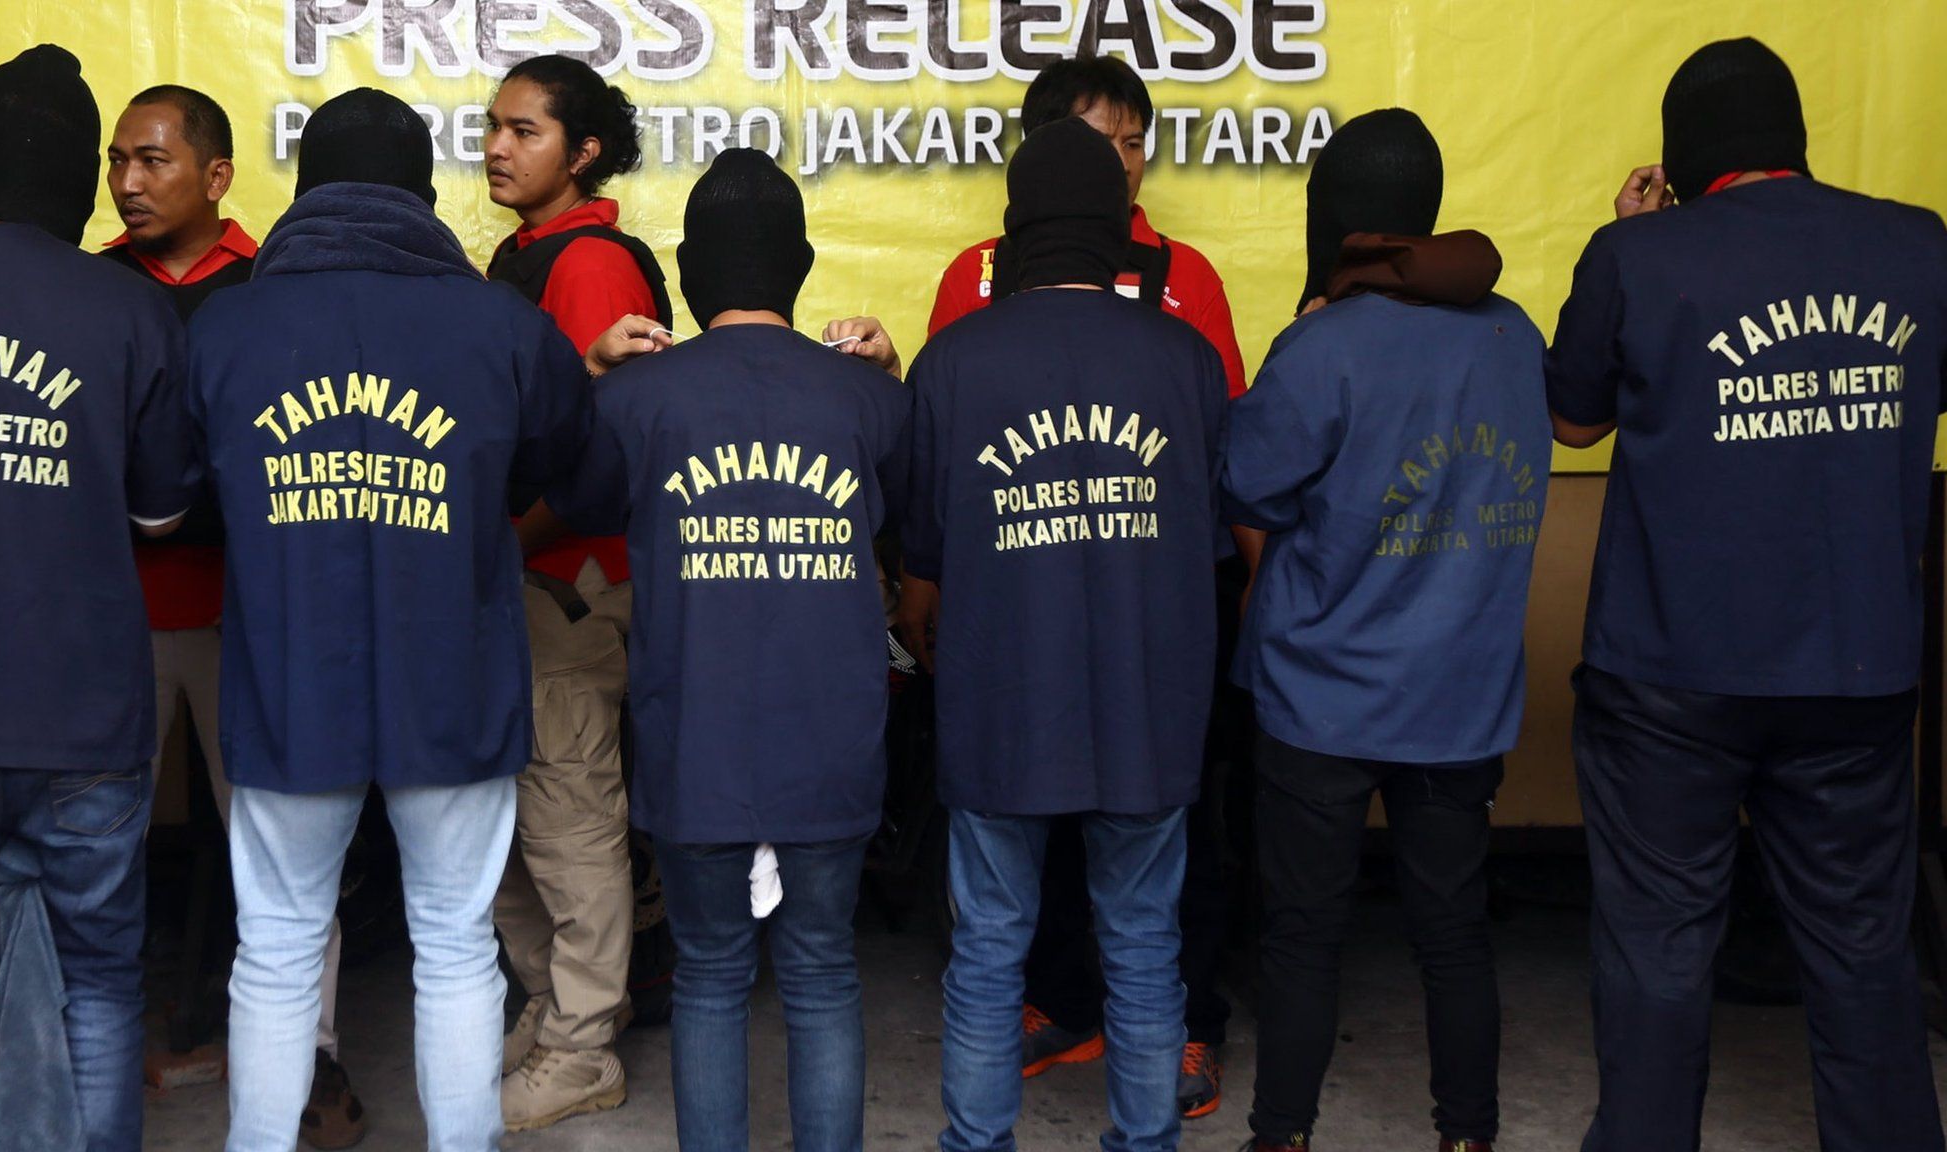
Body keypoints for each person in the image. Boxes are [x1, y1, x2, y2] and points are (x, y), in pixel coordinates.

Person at [1545, 37, 1947, 1152]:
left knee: (1657, 954)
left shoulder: (1638, 255)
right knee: (1863, 952)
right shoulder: (1917, 248)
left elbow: (1572, 420)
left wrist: (1636, 244)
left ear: (1682, 158)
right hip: (1855, 672)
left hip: (1667, 679)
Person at [187, 89, 592, 1152]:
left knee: (274, 945)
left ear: (306, 190)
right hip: (450, 677)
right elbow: (571, 468)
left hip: (288, 680)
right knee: (456, 945)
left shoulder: (225, 323)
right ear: (421, 194)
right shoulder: (502, 324)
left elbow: (174, 492)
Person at [542, 146, 911, 1152]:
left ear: (691, 268)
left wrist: (589, 373)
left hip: (692, 734)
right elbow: (919, 509)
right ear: (795, 264)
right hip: (831, 736)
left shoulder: (634, 399)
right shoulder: (867, 399)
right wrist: (889, 370)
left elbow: (566, 499)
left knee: (708, 975)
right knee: (822, 972)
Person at [919, 53, 1251, 1115]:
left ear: (1021, 219)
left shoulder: (957, 360)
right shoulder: (1179, 360)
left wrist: (939, 645)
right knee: (1144, 946)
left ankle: (975, 1145)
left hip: (1000, 701)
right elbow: (1209, 537)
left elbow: (926, 555)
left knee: (983, 956)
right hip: (1145, 703)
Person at [1225, 108, 1548, 1152]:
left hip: (1318, 697)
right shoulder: (1512, 335)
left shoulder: (1322, 347)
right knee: (1452, 934)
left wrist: (1298, 329)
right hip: (1459, 698)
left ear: (1336, 222)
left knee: (1303, 936)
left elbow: (1246, 484)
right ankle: (1467, 1135)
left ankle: (1281, 1136)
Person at [0, 45, 197, 1152]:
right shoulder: (125, 312)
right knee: (103, 986)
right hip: (78, 714)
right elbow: (162, 512)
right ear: (84, 178)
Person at [101, 84, 369, 1149]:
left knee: (285, 862)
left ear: (216, 176)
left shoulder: (269, 291)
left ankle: (314, 1063)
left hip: (249, 623)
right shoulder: (93, 290)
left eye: (154, 161)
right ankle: (91, 1060)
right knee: (90, 854)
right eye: (118, 160)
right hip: (111, 616)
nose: (128, 182)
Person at [480, 53, 668, 1130]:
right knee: (515, 822)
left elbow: (605, 461)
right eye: (493, 128)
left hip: (570, 584)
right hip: (525, 578)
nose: (498, 148)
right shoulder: (525, 253)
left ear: (582, 151)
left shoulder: (587, 262)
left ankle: (582, 1043)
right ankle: (552, 1012)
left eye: (524, 132)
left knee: (569, 824)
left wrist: (502, 543)